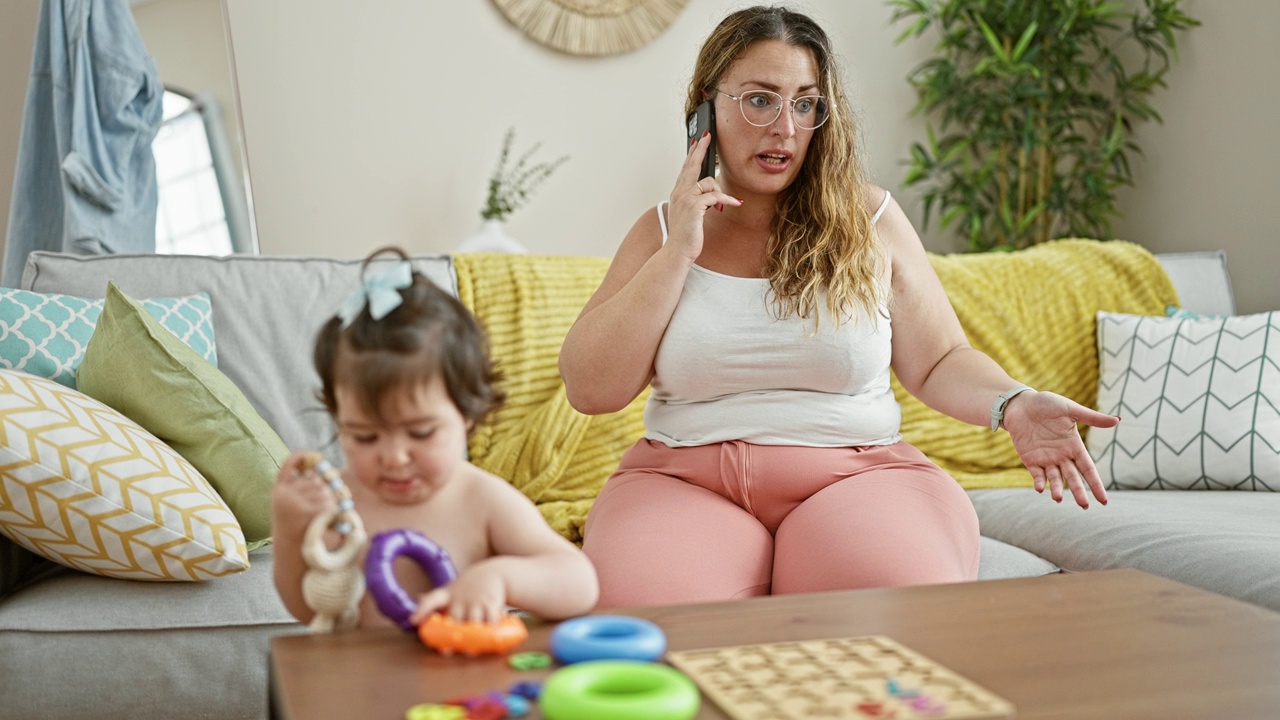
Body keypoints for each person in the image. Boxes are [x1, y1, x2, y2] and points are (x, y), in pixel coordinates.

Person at [558, 5, 1120, 609]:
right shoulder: (663, 230)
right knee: (651, 634)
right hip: (683, 481)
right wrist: (679, 252)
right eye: (759, 100)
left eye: (805, 103)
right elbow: (592, 389)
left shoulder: (869, 219)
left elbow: (938, 361)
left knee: (886, 622)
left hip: (860, 477)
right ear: (704, 107)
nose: (784, 128)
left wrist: (1013, 404)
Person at [272, 247, 598, 629]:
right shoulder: (339, 503)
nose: (393, 457)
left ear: (468, 415)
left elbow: (580, 585)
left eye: (420, 432)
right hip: (361, 683)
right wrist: (291, 531)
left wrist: (499, 577)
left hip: (461, 682)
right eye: (364, 436)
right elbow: (307, 610)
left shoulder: (482, 499)